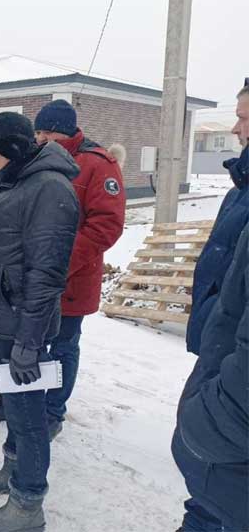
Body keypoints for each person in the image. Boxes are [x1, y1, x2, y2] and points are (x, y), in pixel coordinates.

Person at [0, 113, 79, 532]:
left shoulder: (49, 189)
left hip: (22, 327)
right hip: (4, 321)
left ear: (11, 152)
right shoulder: (17, 180)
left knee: (31, 419)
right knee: (16, 411)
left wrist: (29, 342)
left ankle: (28, 502)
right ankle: (12, 471)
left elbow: (47, 273)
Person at [172, 83, 249, 532]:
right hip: (220, 362)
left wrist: (206, 421)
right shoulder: (241, 184)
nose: (236, 128)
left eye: (244, 117)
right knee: (206, 505)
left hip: (231, 421)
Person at [186, 84, 249, 358]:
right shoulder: (237, 194)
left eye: (243, 118)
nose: (235, 129)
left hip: (235, 358)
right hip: (218, 344)